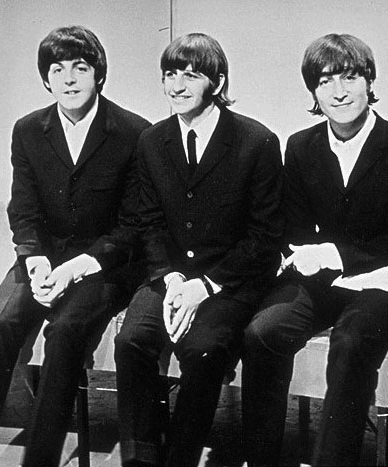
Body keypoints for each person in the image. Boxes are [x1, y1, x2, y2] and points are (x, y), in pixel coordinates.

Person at [0, 25, 150, 467]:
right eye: (57, 69)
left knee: (64, 332)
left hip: (103, 265)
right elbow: (23, 210)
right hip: (43, 259)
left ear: (99, 74)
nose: (68, 79)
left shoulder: (134, 132)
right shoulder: (28, 130)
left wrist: (76, 268)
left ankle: (40, 460)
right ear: (46, 78)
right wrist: (36, 261)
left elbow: (132, 227)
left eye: (79, 68)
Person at [241, 33, 388, 467]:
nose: (338, 92)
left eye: (349, 77)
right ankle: (259, 458)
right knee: (262, 332)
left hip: (387, 285)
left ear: (369, 82)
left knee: (350, 340)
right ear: (313, 91)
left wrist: (335, 254)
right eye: (325, 81)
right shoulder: (301, 145)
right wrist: (321, 259)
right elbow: (294, 230)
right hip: (323, 281)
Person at [113, 32, 283, 467]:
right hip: (169, 277)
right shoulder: (152, 141)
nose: (177, 85)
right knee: (131, 341)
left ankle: (180, 459)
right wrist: (170, 278)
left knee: (202, 350)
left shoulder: (256, 141)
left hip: (229, 283)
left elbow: (264, 237)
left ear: (218, 82)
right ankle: (141, 459)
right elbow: (148, 221)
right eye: (170, 75)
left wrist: (204, 286)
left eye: (191, 75)